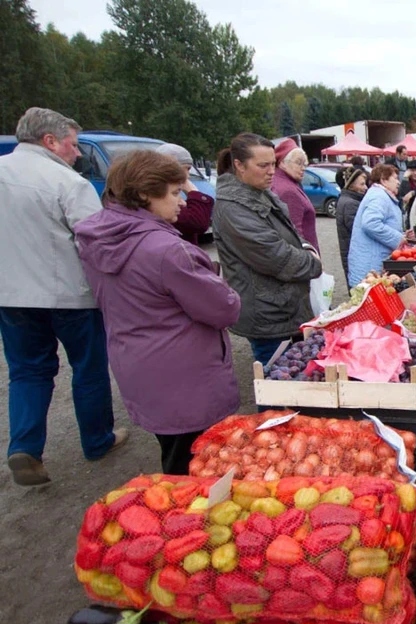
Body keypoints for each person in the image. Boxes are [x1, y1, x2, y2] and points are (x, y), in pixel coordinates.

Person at [75, 151, 241, 474]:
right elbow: (225, 308)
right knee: (199, 467)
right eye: (175, 192)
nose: (182, 202)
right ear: (143, 195)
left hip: (140, 370)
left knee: (174, 452)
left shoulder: (96, 237)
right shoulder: (167, 251)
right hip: (186, 379)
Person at [0, 107, 125, 486]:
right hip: (68, 295)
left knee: (27, 371)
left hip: (11, 295)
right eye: (73, 145)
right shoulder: (67, 183)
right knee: (87, 368)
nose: (77, 154)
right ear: (50, 141)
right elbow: (96, 244)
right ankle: (97, 439)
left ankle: (25, 446)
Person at [212, 133, 323, 366]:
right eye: (263, 165)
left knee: (294, 379)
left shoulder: (261, 193)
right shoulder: (233, 209)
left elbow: (291, 233)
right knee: (277, 387)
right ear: (239, 166)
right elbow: (276, 257)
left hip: (283, 308)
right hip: (268, 316)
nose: (271, 171)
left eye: (273, 164)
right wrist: (313, 263)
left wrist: (304, 247)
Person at [348, 163, 416, 286]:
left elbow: (385, 225)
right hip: (369, 266)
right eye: (395, 178)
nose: (398, 182)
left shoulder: (382, 196)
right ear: (383, 180)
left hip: (372, 263)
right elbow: (370, 223)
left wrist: (403, 235)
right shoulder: (379, 196)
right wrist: (398, 238)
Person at [155, 143, 214, 246]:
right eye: (185, 168)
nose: (187, 175)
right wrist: (193, 192)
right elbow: (198, 222)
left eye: (189, 169)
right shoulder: (159, 197)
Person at [271, 139, 319, 251]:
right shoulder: (288, 190)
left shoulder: (281, 182)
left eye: (304, 164)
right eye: (298, 163)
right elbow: (295, 235)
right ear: (282, 163)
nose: (303, 168)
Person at [335, 166, 368, 278]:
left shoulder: (348, 200)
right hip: (355, 256)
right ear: (351, 185)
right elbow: (359, 232)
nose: (366, 187)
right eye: (362, 184)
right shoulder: (351, 204)